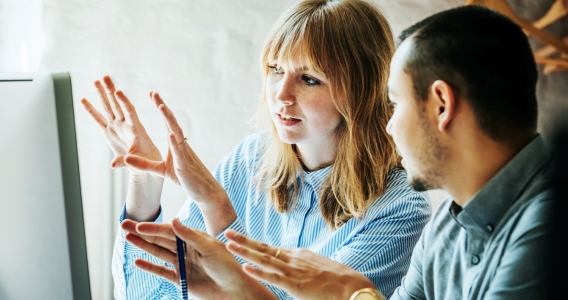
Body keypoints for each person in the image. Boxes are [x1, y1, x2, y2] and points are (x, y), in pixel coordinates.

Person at [126, 4, 557, 300]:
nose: (389, 123)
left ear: (441, 105)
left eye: (396, 102)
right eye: (275, 71)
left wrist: (353, 295)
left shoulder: (550, 226)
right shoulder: (451, 221)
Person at [80, 0, 431, 299]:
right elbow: (152, 295)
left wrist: (217, 208)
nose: (281, 95)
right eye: (275, 69)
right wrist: (145, 180)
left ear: (362, 91)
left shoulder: (399, 207)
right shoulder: (249, 160)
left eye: (309, 79)